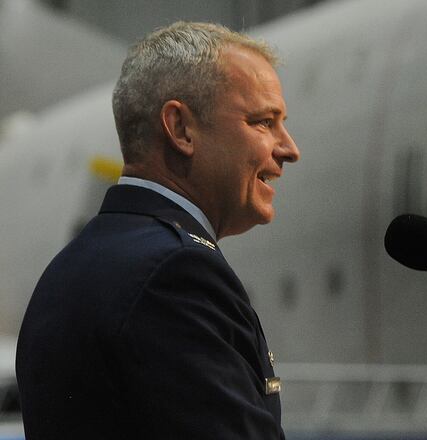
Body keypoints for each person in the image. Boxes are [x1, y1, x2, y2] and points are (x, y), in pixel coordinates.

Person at [15, 21, 300, 439]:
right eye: (262, 122)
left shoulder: (73, 265)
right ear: (181, 128)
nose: (289, 148)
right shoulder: (174, 274)